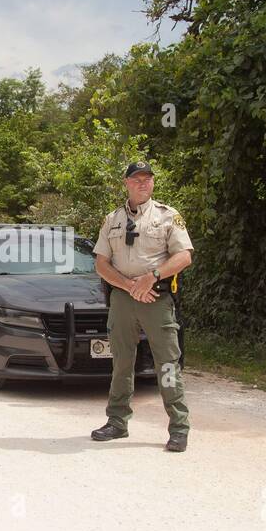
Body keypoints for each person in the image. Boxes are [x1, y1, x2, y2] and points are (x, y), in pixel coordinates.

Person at [90, 161, 194, 452]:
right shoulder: (112, 219)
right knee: (122, 362)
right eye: (137, 179)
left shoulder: (168, 216)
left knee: (168, 364)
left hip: (156, 299)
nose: (144, 183)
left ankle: (179, 428)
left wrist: (152, 277)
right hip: (123, 299)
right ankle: (117, 422)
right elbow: (101, 263)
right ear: (126, 183)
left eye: (148, 179)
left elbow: (184, 256)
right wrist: (129, 286)